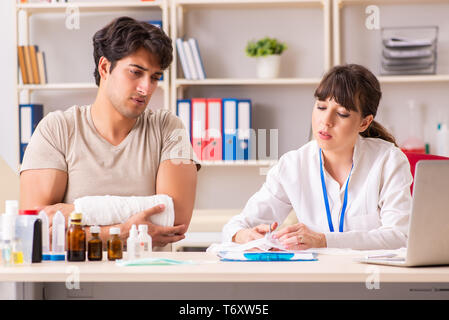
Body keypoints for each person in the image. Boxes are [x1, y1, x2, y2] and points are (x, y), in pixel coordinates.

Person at [19, 17, 199, 248]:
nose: (146, 88)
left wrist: (76, 213)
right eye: (136, 72)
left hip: (150, 277)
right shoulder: (56, 129)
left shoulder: (168, 128)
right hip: (72, 279)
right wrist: (119, 233)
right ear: (105, 67)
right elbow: (37, 229)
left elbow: (173, 223)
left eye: (155, 77)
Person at [222, 64, 412, 250]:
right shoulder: (293, 165)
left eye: (342, 113)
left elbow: (400, 236)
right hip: (315, 277)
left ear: (364, 122)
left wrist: (324, 240)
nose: (326, 121)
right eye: (321, 107)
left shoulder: (388, 160)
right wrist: (243, 235)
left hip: (371, 276)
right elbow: (237, 225)